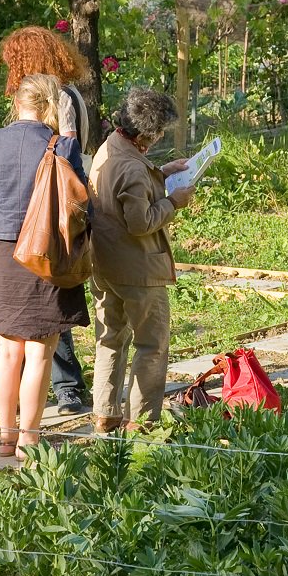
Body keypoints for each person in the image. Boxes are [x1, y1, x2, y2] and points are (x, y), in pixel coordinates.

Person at [0, 73, 89, 457]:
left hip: (5, 254)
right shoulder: (62, 145)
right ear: (51, 104)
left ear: (16, 103)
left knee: (7, 352)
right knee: (39, 353)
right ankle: (29, 439)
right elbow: (81, 203)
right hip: (47, 254)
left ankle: (5, 437)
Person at [0, 25, 98, 416]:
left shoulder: (62, 99)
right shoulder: (53, 96)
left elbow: (65, 153)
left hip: (52, 209)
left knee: (49, 305)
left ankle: (67, 386)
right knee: (44, 306)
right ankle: (54, 386)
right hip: (36, 205)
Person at [89, 88, 194, 435]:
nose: (161, 136)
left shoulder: (110, 147)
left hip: (104, 263)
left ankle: (105, 414)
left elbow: (123, 192)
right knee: (151, 344)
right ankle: (143, 423)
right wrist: (174, 202)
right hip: (138, 268)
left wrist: (162, 172)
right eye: (160, 131)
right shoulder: (133, 167)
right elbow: (140, 222)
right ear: (147, 134)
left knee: (109, 339)